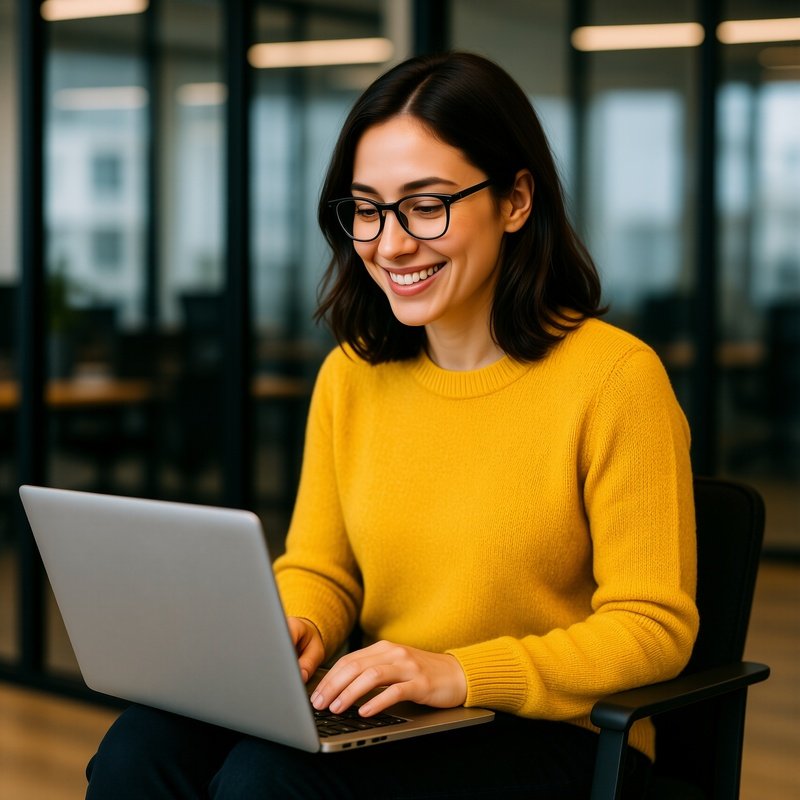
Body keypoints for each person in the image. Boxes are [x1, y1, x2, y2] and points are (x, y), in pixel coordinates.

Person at [85, 51, 699, 799]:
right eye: (367, 208)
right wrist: (303, 622)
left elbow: (652, 627)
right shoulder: (352, 373)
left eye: (426, 204)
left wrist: (459, 672)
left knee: (267, 784)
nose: (391, 242)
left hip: (550, 739)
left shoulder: (614, 378)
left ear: (515, 200)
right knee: (139, 749)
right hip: (395, 707)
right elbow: (321, 565)